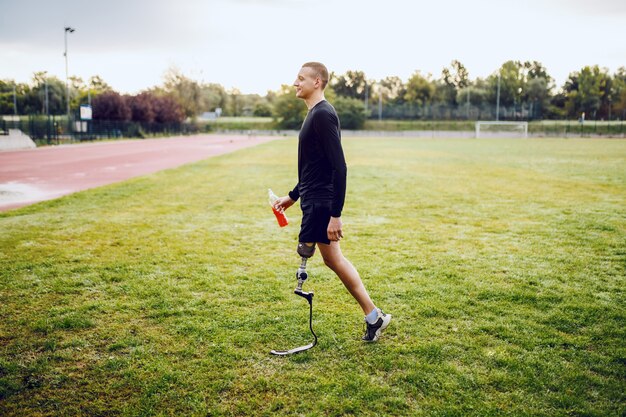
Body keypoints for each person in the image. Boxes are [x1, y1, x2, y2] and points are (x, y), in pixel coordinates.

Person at [273, 62, 391, 342]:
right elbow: (313, 167)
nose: (295, 83)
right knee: (333, 259)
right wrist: (291, 196)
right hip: (313, 199)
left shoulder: (323, 114)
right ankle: (374, 317)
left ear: (318, 82)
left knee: (330, 258)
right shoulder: (314, 114)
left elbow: (340, 167)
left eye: (300, 78)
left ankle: (374, 316)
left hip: (322, 203)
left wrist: (335, 215)